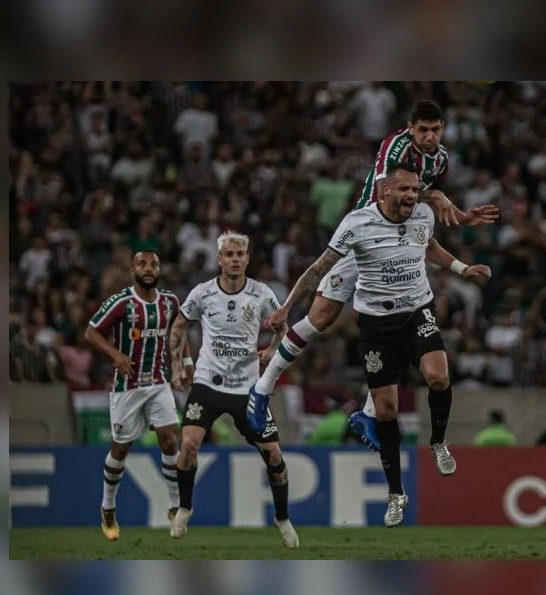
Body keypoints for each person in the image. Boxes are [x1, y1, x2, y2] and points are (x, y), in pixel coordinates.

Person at [246, 100, 499, 445]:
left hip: (401, 240)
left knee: (398, 320)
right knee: (320, 318)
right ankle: (262, 391)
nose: (429, 136)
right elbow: (389, 189)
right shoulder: (395, 146)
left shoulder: (440, 158)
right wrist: (434, 197)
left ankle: (366, 413)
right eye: (422, 129)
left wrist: (452, 212)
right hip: (368, 235)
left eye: (435, 129)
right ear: (410, 128)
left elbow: (429, 202)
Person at [266, 161, 492, 527]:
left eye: (415, 189)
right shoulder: (357, 224)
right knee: (385, 411)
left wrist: (462, 269)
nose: (411, 196)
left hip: (417, 310)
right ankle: (395, 493)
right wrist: (287, 307)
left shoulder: (422, 214)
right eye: (403, 189)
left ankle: (437, 443)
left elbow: (429, 246)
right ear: (385, 191)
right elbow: (319, 268)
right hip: (376, 324)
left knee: (437, 376)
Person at [166, 231, 299, 548]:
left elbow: (283, 328)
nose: (235, 259)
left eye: (240, 254)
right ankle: (185, 507)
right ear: (220, 259)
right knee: (188, 446)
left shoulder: (261, 293)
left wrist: (272, 351)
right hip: (208, 383)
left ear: (247, 258)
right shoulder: (202, 293)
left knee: (274, 455)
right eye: (229, 254)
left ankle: (282, 518)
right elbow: (179, 326)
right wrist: (178, 364)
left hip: (248, 390)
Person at [83, 250, 188, 542]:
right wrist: (115, 354)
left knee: (170, 438)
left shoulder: (170, 302)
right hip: (127, 387)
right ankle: (107, 508)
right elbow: (90, 333)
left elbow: (178, 333)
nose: (149, 268)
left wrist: (184, 364)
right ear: (133, 270)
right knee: (121, 449)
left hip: (158, 382)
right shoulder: (122, 302)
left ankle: (173, 506)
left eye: (154, 263)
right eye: (142, 264)